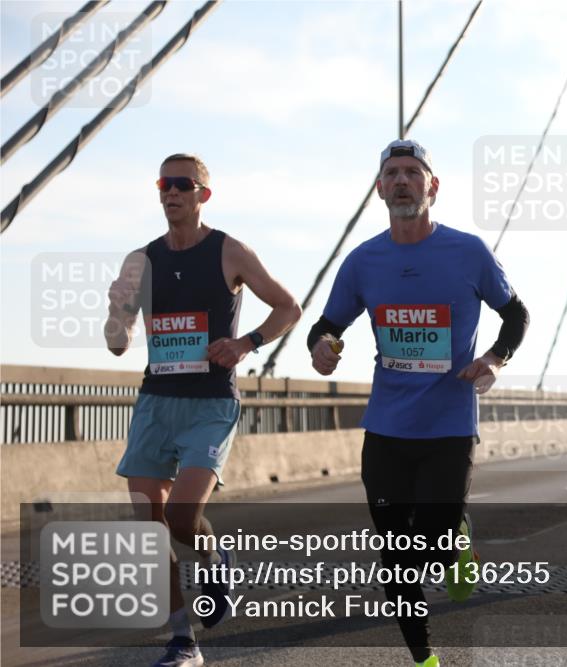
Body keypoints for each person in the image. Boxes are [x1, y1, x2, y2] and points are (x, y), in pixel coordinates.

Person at [308, 139, 529, 667]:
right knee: (395, 553)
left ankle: (455, 542)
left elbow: (516, 314)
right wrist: (322, 347)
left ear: (433, 186)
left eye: (412, 172)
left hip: (448, 427)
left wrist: (495, 359)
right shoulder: (363, 261)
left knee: (430, 543)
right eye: (392, 173)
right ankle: (425, 659)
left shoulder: (468, 252)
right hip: (386, 428)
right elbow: (326, 325)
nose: (402, 180)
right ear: (380, 189)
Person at [105, 153, 302, 667]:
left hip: (210, 404)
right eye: (164, 184)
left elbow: (288, 307)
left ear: (203, 195)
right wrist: (117, 310)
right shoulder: (140, 260)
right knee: (149, 527)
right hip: (156, 403)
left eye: (182, 184)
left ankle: (213, 557)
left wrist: (245, 343)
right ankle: (183, 641)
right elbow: (117, 344)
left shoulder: (229, 250)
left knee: (180, 516)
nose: (171, 192)